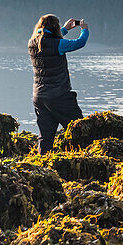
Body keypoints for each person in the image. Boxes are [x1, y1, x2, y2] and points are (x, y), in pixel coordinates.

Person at [27, 14, 90, 153]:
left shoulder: (32, 42)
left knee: (45, 136)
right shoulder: (58, 44)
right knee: (78, 128)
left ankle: (42, 165)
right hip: (59, 96)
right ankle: (83, 158)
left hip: (39, 97)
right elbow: (80, 42)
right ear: (55, 27)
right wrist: (84, 29)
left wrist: (65, 29)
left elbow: (47, 38)